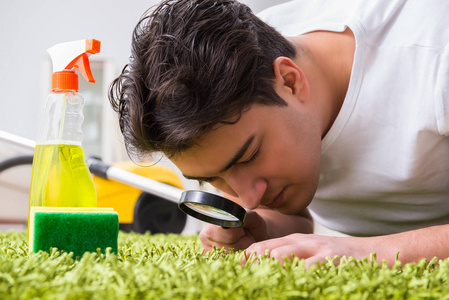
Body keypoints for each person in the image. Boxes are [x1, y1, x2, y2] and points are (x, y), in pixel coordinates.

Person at [109, 0, 449, 268]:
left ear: (290, 80)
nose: (248, 198)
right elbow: (292, 215)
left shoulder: (432, 53)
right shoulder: (246, 61)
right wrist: (263, 229)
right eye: (214, 178)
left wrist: (375, 251)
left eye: (250, 155)